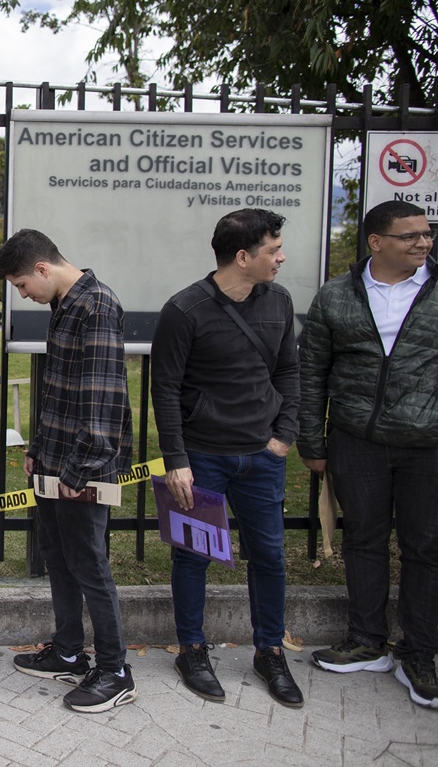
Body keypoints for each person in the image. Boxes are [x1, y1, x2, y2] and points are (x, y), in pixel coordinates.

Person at [150, 208, 303, 709]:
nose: (281, 258)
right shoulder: (185, 309)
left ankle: (269, 652)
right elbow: (165, 387)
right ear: (243, 257)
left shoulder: (279, 301)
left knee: (269, 557)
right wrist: (176, 458)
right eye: (273, 249)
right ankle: (191, 650)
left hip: (262, 457)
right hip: (203, 457)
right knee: (193, 556)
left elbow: (289, 372)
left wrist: (284, 436)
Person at [299, 200, 438, 709]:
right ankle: (366, 640)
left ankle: (421, 652)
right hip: (357, 440)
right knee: (364, 540)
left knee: (426, 547)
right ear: (376, 242)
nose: (422, 243)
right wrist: (312, 442)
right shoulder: (337, 296)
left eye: (426, 235)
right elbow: (311, 372)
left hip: (429, 444)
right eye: (410, 236)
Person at [0, 229, 137, 713]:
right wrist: (38, 448)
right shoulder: (67, 305)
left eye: (20, 285)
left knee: (89, 566)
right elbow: (59, 390)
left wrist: (79, 472)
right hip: (56, 461)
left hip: (83, 469)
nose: (23, 296)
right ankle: (69, 650)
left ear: (42, 268)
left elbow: (101, 401)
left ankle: (115, 670)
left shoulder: (96, 306)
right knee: (58, 557)